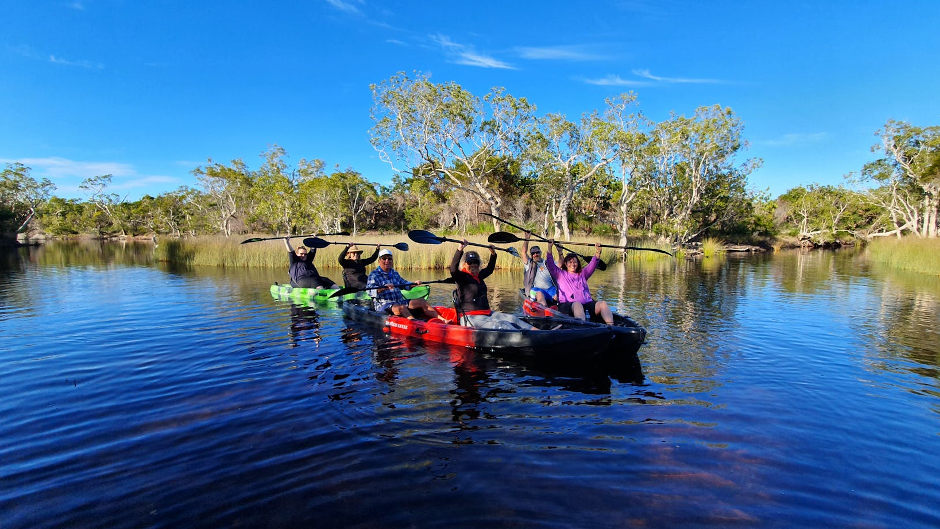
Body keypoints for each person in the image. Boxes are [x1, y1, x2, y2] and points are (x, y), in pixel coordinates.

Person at [450, 239, 535, 330]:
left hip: (487, 313)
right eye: (470, 262)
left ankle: (539, 332)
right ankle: (529, 338)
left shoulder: (479, 276)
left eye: (476, 262)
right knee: (501, 325)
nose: (473, 265)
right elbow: (453, 269)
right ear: (464, 264)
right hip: (470, 317)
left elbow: (490, 269)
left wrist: (493, 254)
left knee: (513, 319)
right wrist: (460, 249)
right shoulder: (461, 277)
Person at [545, 239, 614, 325]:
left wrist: (598, 252)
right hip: (568, 306)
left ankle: (612, 327)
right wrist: (549, 247)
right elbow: (550, 263)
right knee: (577, 305)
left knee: (603, 304)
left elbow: (593, 264)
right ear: (565, 264)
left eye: (575, 262)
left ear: (578, 263)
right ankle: (583, 327)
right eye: (570, 262)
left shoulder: (583, 274)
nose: (573, 264)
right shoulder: (560, 274)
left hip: (587, 305)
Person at [366, 249, 440, 319]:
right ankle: (415, 324)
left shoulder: (394, 273)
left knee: (422, 301)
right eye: (384, 258)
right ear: (379, 261)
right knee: (402, 308)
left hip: (399, 302)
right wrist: (383, 288)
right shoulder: (374, 275)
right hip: (384, 305)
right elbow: (369, 291)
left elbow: (404, 284)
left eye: (389, 259)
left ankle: (442, 320)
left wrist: (413, 284)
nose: (387, 261)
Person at [522, 231, 558, 306]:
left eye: (537, 252)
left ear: (541, 253)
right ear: (531, 255)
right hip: (537, 290)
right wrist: (527, 238)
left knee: (558, 297)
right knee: (540, 297)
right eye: (533, 253)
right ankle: (543, 308)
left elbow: (560, 264)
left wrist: (559, 251)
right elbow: (523, 252)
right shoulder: (529, 263)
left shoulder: (547, 263)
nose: (535, 254)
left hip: (550, 289)